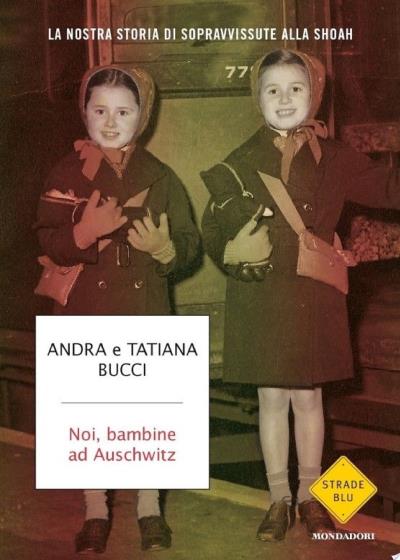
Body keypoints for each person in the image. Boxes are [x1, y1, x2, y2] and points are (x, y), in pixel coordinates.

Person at [201, 49, 400, 542]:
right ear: (257, 99)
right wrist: (229, 250)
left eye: (297, 88)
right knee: (272, 397)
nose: (285, 98)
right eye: (272, 89)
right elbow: (214, 225)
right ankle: (278, 499)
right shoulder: (239, 161)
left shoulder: (336, 157)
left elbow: (388, 187)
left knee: (309, 397)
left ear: (315, 95)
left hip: (314, 293)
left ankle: (311, 497)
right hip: (262, 293)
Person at [35, 65, 199, 553]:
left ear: (142, 117)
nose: (111, 122)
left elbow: (189, 243)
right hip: (88, 313)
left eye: (124, 112)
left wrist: (168, 250)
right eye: (100, 110)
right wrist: (85, 232)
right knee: (91, 413)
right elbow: (47, 239)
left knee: (148, 414)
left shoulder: (161, 176)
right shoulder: (65, 173)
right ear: (84, 112)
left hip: (145, 311)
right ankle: (96, 509)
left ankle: (150, 506)